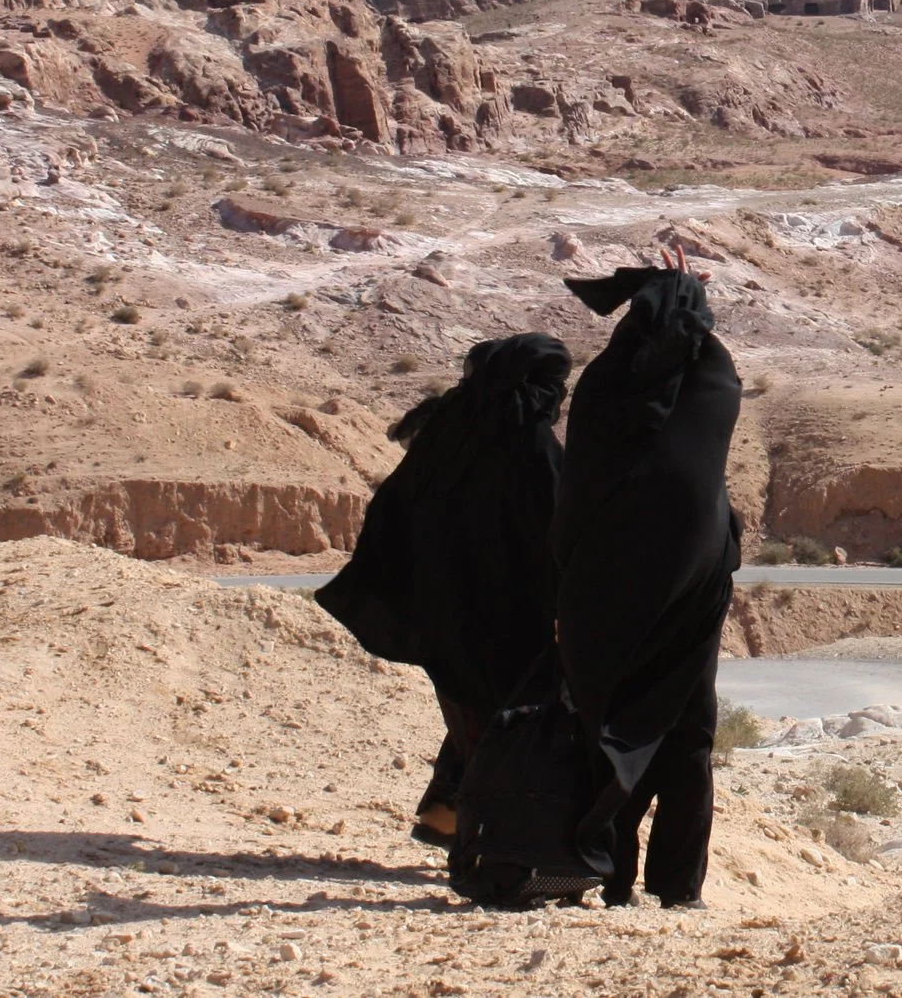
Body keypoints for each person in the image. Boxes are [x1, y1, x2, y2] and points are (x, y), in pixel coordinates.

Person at [314, 332, 571, 846]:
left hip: (447, 613)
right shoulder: (531, 445)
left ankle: (451, 818)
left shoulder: (451, 437)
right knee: (508, 724)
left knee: (475, 717)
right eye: (553, 385)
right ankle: (490, 838)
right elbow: (561, 534)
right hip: (513, 620)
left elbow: (399, 510)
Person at [555, 250, 742, 908]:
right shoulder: (712, 384)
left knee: (613, 725)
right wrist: (685, 292)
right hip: (692, 597)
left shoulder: (606, 388)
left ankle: (607, 873)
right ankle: (678, 887)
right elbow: (695, 342)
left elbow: (574, 496)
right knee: (688, 734)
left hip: (605, 600)